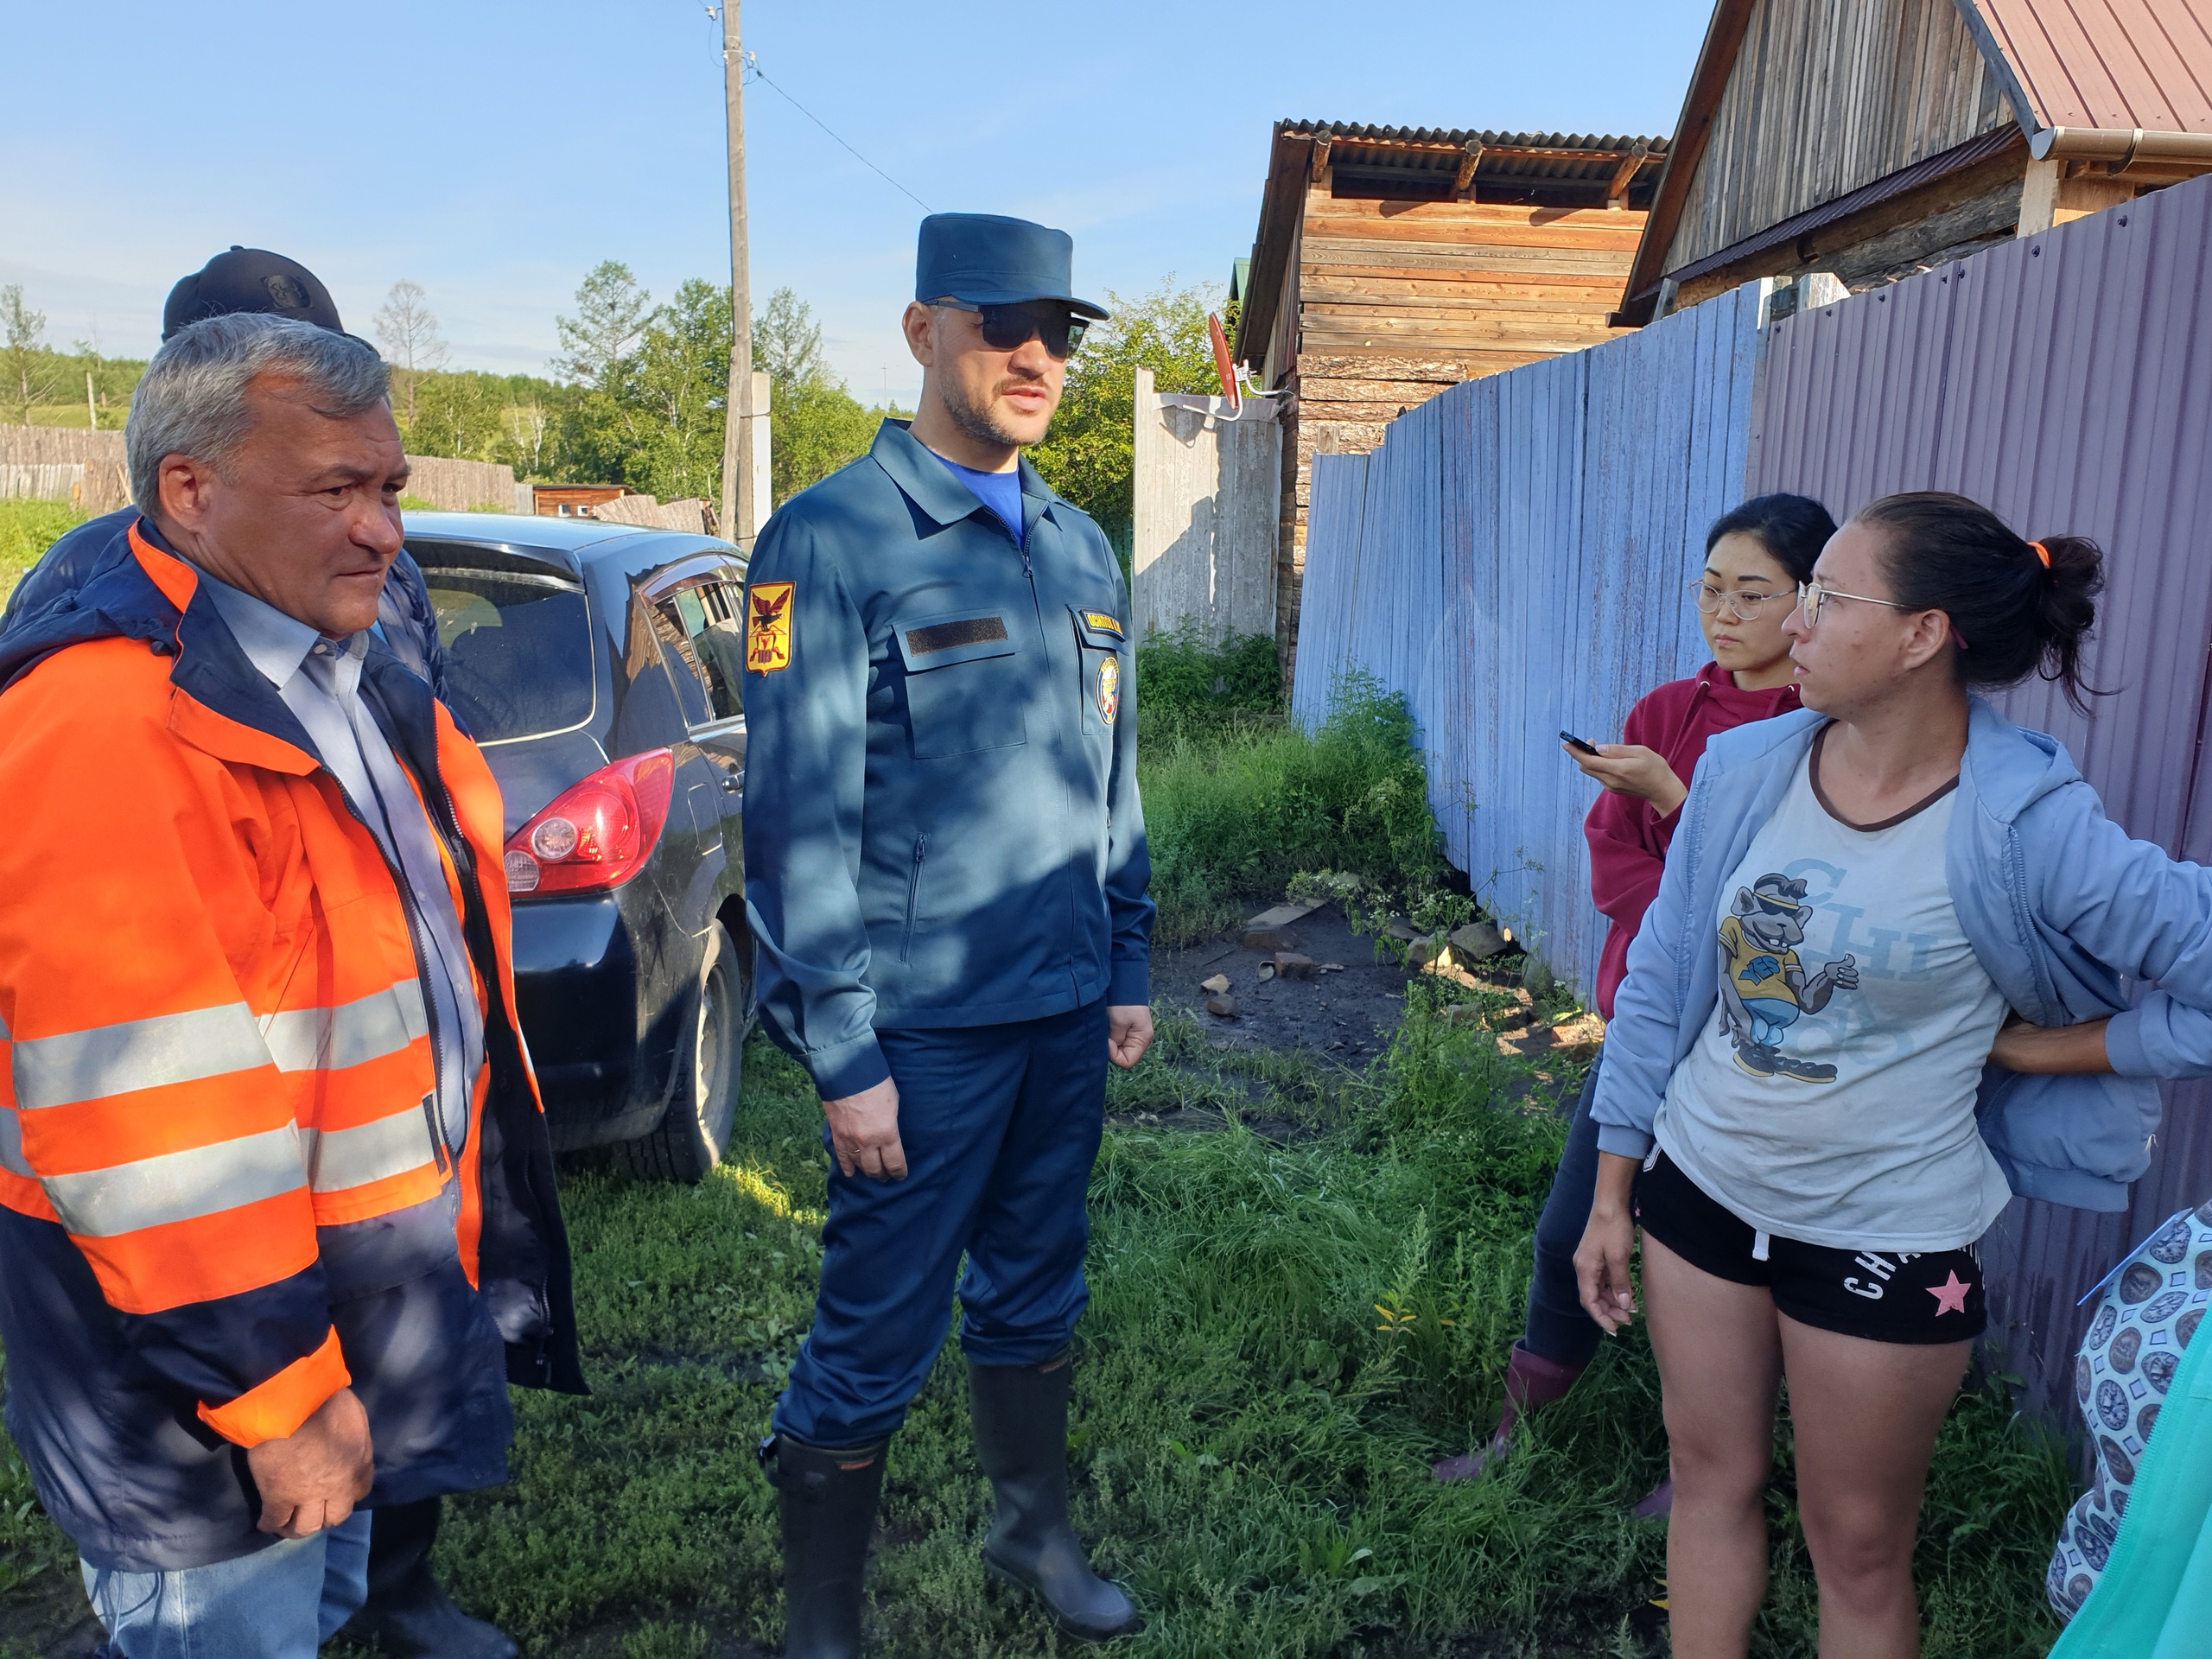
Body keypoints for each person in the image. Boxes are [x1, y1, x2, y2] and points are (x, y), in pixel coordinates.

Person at [0, 314, 582, 1659]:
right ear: (188, 492)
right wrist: (277, 1395)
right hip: (202, 1377)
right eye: (336, 490)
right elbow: (151, 1125)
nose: (385, 530)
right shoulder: (103, 728)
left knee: (311, 1624)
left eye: (389, 489)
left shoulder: (345, 676)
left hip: (350, 1303)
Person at [1576, 492, 2212, 1658]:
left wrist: (2055, 1047)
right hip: (1699, 1194)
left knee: (1857, 1544)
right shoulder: (1743, 769)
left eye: (1828, 597)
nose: (1795, 624)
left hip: (1888, 1235)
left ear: (1923, 635)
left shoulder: (2027, 822)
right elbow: (1666, 977)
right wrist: (1613, 1189)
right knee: (1708, 1481)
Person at [742, 213, 1152, 1656]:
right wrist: (842, 1051)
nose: (1038, 355)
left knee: (1041, 1283)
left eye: (1062, 333)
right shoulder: (832, 538)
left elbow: (1113, 773)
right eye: (1004, 325)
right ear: (927, 332)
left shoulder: (1081, 546)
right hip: (919, 1033)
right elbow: (793, 815)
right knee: (877, 1326)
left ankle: (1030, 1527)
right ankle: (822, 1621)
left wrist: (1129, 958)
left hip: (1057, 1009)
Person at [1433, 493, 1835, 1497]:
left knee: (1734, 1268)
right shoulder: (1665, 713)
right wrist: (1683, 890)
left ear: (1809, 601)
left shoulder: (1827, 732)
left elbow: (1793, 900)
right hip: (1650, 1030)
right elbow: (1615, 869)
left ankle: (1700, 1472)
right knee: (1572, 1226)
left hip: (1757, 1049)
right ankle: (1517, 1432)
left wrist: (1671, 800)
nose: (1724, 613)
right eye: (1709, 590)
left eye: (1752, 592)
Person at [1, 246, 450, 702]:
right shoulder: (85, 572)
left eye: (325, 358)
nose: (382, 535)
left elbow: (436, 719)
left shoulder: (394, 575)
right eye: (334, 489)